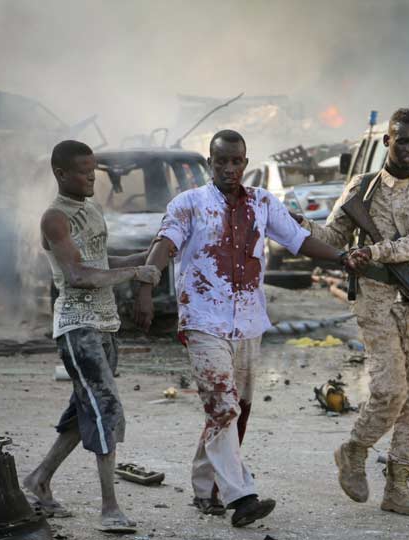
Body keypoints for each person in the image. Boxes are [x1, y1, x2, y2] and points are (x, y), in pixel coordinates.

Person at [133, 129, 360, 528]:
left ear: (245, 163)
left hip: (249, 322)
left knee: (233, 411)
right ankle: (242, 497)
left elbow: (299, 240)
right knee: (223, 406)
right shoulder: (188, 204)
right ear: (210, 163)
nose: (229, 168)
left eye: (236, 161)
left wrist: (342, 257)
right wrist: (145, 290)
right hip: (203, 319)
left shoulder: (263, 202)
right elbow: (164, 246)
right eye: (221, 161)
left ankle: (205, 488)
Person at [297, 108, 409, 515]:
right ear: (387, 140)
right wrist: (301, 225)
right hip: (375, 301)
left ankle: (397, 486)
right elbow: (334, 235)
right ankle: (354, 450)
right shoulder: (361, 188)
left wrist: (374, 251)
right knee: (390, 390)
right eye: (402, 140)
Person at [24, 140, 161, 533]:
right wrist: (135, 273)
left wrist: (140, 258)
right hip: (77, 327)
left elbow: (100, 263)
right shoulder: (55, 218)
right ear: (61, 173)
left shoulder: (93, 209)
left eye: (93, 170)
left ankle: (39, 479)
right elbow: (78, 275)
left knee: (84, 411)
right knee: (105, 408)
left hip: (105, 325)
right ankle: (109, 507)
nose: (91, 178)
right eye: (84, 172)